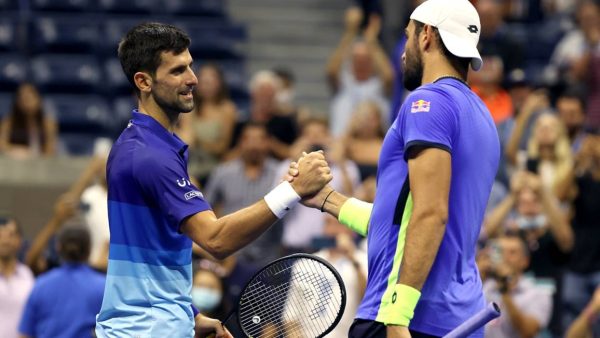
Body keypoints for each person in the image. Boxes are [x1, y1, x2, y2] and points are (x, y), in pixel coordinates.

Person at [94, 22, 332, 338]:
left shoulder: (140, 144)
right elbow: (216, 240)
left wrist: (189, 315)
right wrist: (293, 190)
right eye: (177, 71)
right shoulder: (150, 156)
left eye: (190, 67)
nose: (192, 79)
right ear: (144, 81)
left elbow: (150, 249)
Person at [290, 0, 499, 336]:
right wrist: (328, 199)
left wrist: (398, 314)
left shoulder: (427, 103)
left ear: (427, 36)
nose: (402, 52)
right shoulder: (481, 115)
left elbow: (430, 214)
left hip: (406, 317)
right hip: (461, 318)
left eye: (407, 37)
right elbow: (401, 223)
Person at [203, 123, 282, 266]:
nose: (254, 145)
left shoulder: (280, 173)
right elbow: (206, 208)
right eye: (248, 139)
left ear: (268, 142)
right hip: (230, 257)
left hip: (270, 258)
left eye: (259, 139)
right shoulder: (223, 173)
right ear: (240, 142)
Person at [18, 225, 106, 338]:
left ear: (58, 247)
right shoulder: (102, 287)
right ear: (89, 248)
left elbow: (25, 334)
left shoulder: (41, 285)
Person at [327, 6, 393, 137]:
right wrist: (350, 32)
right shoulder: (344, 83)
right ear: (350, 60)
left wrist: (371, 41)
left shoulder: (378, 85)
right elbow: (331, 71)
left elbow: (389, 76)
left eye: (365, 59)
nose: (360, 62)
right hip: (342, 147)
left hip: (374, 147)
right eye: (357, 58)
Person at [176, 63, 238, 184]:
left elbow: (222, 148)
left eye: (211, 81)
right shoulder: (189, 107)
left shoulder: (228, 109)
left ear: (219, 83)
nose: (207, 86)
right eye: (204, 81)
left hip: (216, 165)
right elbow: (186, 140)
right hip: (191, 162)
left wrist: (198, 140)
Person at [481, 234, 553, 338]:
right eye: (501, 251)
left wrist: (504, 290)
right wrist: (478, 276)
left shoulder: (537, 293)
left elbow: (528, 332)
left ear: (525, 261)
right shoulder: (485, 286)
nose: (505, 257)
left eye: (512, 252)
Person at [0, 83, 58, 158]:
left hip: (40, 163)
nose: (26, 102)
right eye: (22, 98)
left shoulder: (48, 123)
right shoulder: (8, 122)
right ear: (17, 101)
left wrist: (34, 154)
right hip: (15, 162)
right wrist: (19, 150)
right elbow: (2, 145)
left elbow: (50, 150)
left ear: (39, 99)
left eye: (29, 98)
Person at [0, 217, 34, 338]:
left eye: (11, 235)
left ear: (19, 240)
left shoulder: (27, 276)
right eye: (0, 235)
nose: (5, 241)